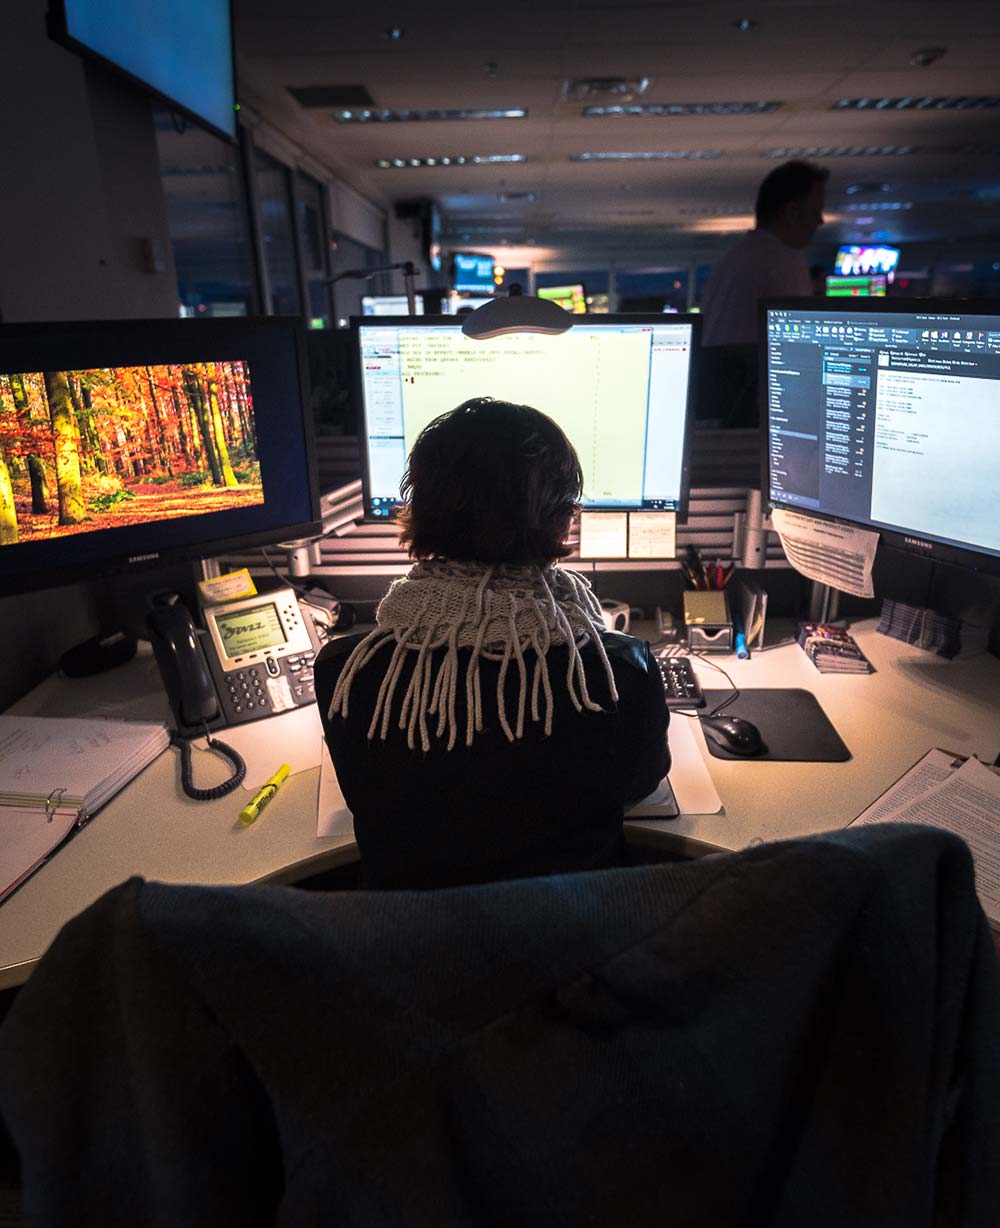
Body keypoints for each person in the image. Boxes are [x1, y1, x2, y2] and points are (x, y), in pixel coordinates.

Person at [314, 398, 669, 889]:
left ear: (419, 511)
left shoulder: (346, 672)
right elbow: (639, 785)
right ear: (562, 518)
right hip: (577, 944)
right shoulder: (619, 673)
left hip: (414, 951)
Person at [701, 159, 829, 349]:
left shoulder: (734, 258)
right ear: (792, 212)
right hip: (751, 377)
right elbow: (798, 350)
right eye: (816, 211)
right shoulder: (786, 263)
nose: (820, 221)